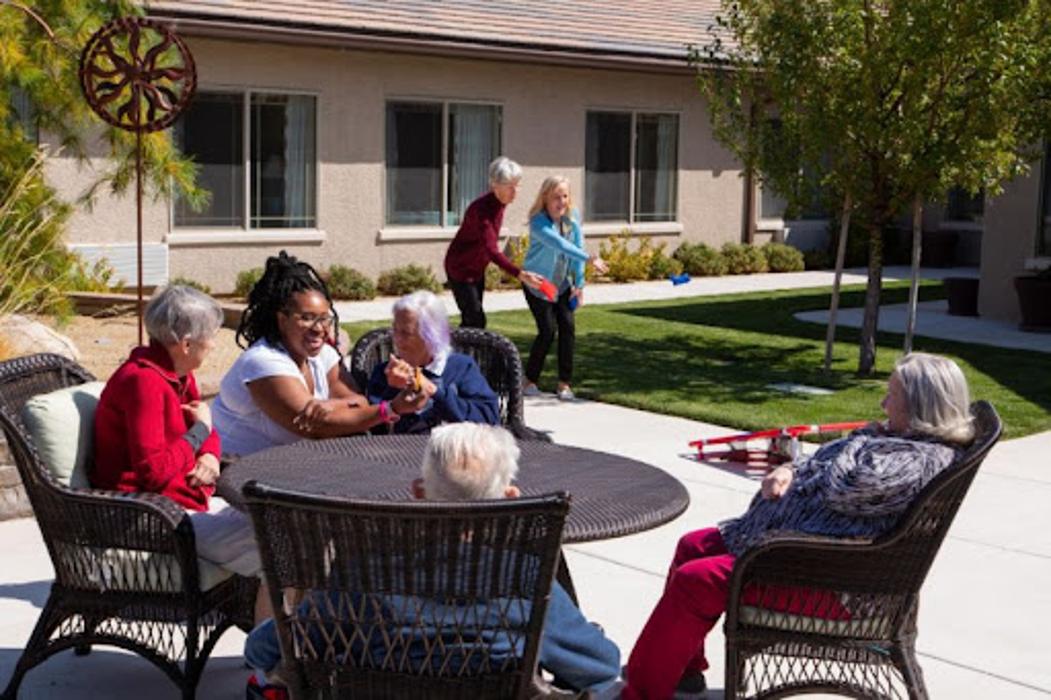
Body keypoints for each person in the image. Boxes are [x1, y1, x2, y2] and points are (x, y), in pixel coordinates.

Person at [622, 353, 976, 700]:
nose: (883, 404)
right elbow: (826, 465)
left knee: (696, 581)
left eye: (892, 395)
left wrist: (859, 438)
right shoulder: (900, 443)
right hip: (813, 561)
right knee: (693, 545)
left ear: (919, 407)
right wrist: (790, 470)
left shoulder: (918, 461)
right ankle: (682, 670)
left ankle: (640, 693)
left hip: (839, 586)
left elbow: (842, 487)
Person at [244, 422, 621, 699]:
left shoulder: (362, 575)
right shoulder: (525, 581)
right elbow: (600, 667)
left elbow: (262, 650)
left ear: (418, 491)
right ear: (509, 498)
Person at [91, 285, 267, 618]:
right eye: (210, 337)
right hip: (145, 514)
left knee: (280, 527)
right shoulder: (144, 382)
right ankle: (272, 647)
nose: (213, 345)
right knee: (280, 554)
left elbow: (205, 428)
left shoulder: (178, 375)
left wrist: (209, 454)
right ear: (186, 344)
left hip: (181, 502)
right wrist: (199, 432)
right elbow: (153, 471)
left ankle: (270, 637)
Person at [213, 251, 426, 456]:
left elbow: (359, 402)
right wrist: (392, 408)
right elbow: (317, 428)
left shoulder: (323, 355)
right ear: (282, 319)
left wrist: (332, 404)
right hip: (236, 468)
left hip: (294, 464)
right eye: (306, 318)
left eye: (324, 318)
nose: (318, 328)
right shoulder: (263, 362)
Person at [520, 176, 608, 401]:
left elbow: (576, 246)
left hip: (561, 283)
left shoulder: (572, 217)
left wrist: (579, 284)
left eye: (565, 196)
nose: (561, 202)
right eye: (556, 197)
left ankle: (564, 384)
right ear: (545, 198)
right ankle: (529, 380)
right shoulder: (538, 221)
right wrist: (590, 259)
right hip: (537, 283)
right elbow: (560, 244)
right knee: (548, 331)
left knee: (568, 328)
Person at [367, 290, 500, 434]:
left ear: (431, 335)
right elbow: (372, 430)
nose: (397, 339)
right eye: (395, 330)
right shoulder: (384, 372)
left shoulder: (461, 367)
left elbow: (489, 419)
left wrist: (435, 391)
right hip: (397, 448)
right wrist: (393, 390)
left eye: (406, 333)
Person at [444, 156, 544, 328]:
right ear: (495, 186)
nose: (515, 191)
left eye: (517, 185)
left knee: (472, 322)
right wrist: (520, 274)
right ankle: (447, 345)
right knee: (475, 321)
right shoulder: (482, 210)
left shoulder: (499, 203)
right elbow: (491, 250)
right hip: (460, 268)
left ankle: (458, 345)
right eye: (510, 187)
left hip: (476, 269)